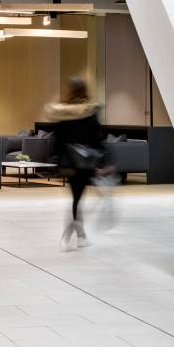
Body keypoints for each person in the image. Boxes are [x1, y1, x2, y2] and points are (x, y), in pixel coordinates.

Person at [44, 77, 105, 249]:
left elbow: (57, 140)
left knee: (76, 198)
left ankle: (79, 236)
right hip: (86, 162)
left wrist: (60, 163)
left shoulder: (63, 112)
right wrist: (102, 161)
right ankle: (73, 236)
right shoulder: (90, 111)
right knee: (79, 199)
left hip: (70, 163)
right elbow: (97, 137)